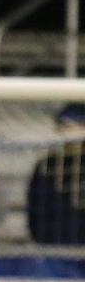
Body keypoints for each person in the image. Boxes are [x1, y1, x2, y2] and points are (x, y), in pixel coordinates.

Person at [27, 103, 85, 244]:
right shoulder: (47, 166)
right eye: (65, 125)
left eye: (76, 125)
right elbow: (35, 208)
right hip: (54, 246)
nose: (70, 131)